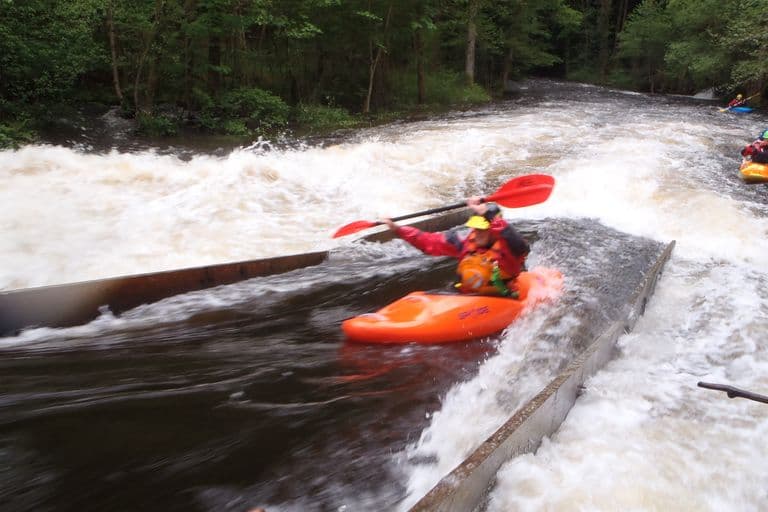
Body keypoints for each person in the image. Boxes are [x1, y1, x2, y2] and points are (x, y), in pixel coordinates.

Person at [383, 198, 529, 297]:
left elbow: (512, 236)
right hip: (467, 298)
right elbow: (428, 241)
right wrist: (398, 229)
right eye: (476, 227)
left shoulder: (512, 248)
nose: (477, 232)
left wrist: (487, 213)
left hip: (502, 299)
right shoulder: (464, 242)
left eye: (482, 228)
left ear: (493, 229)